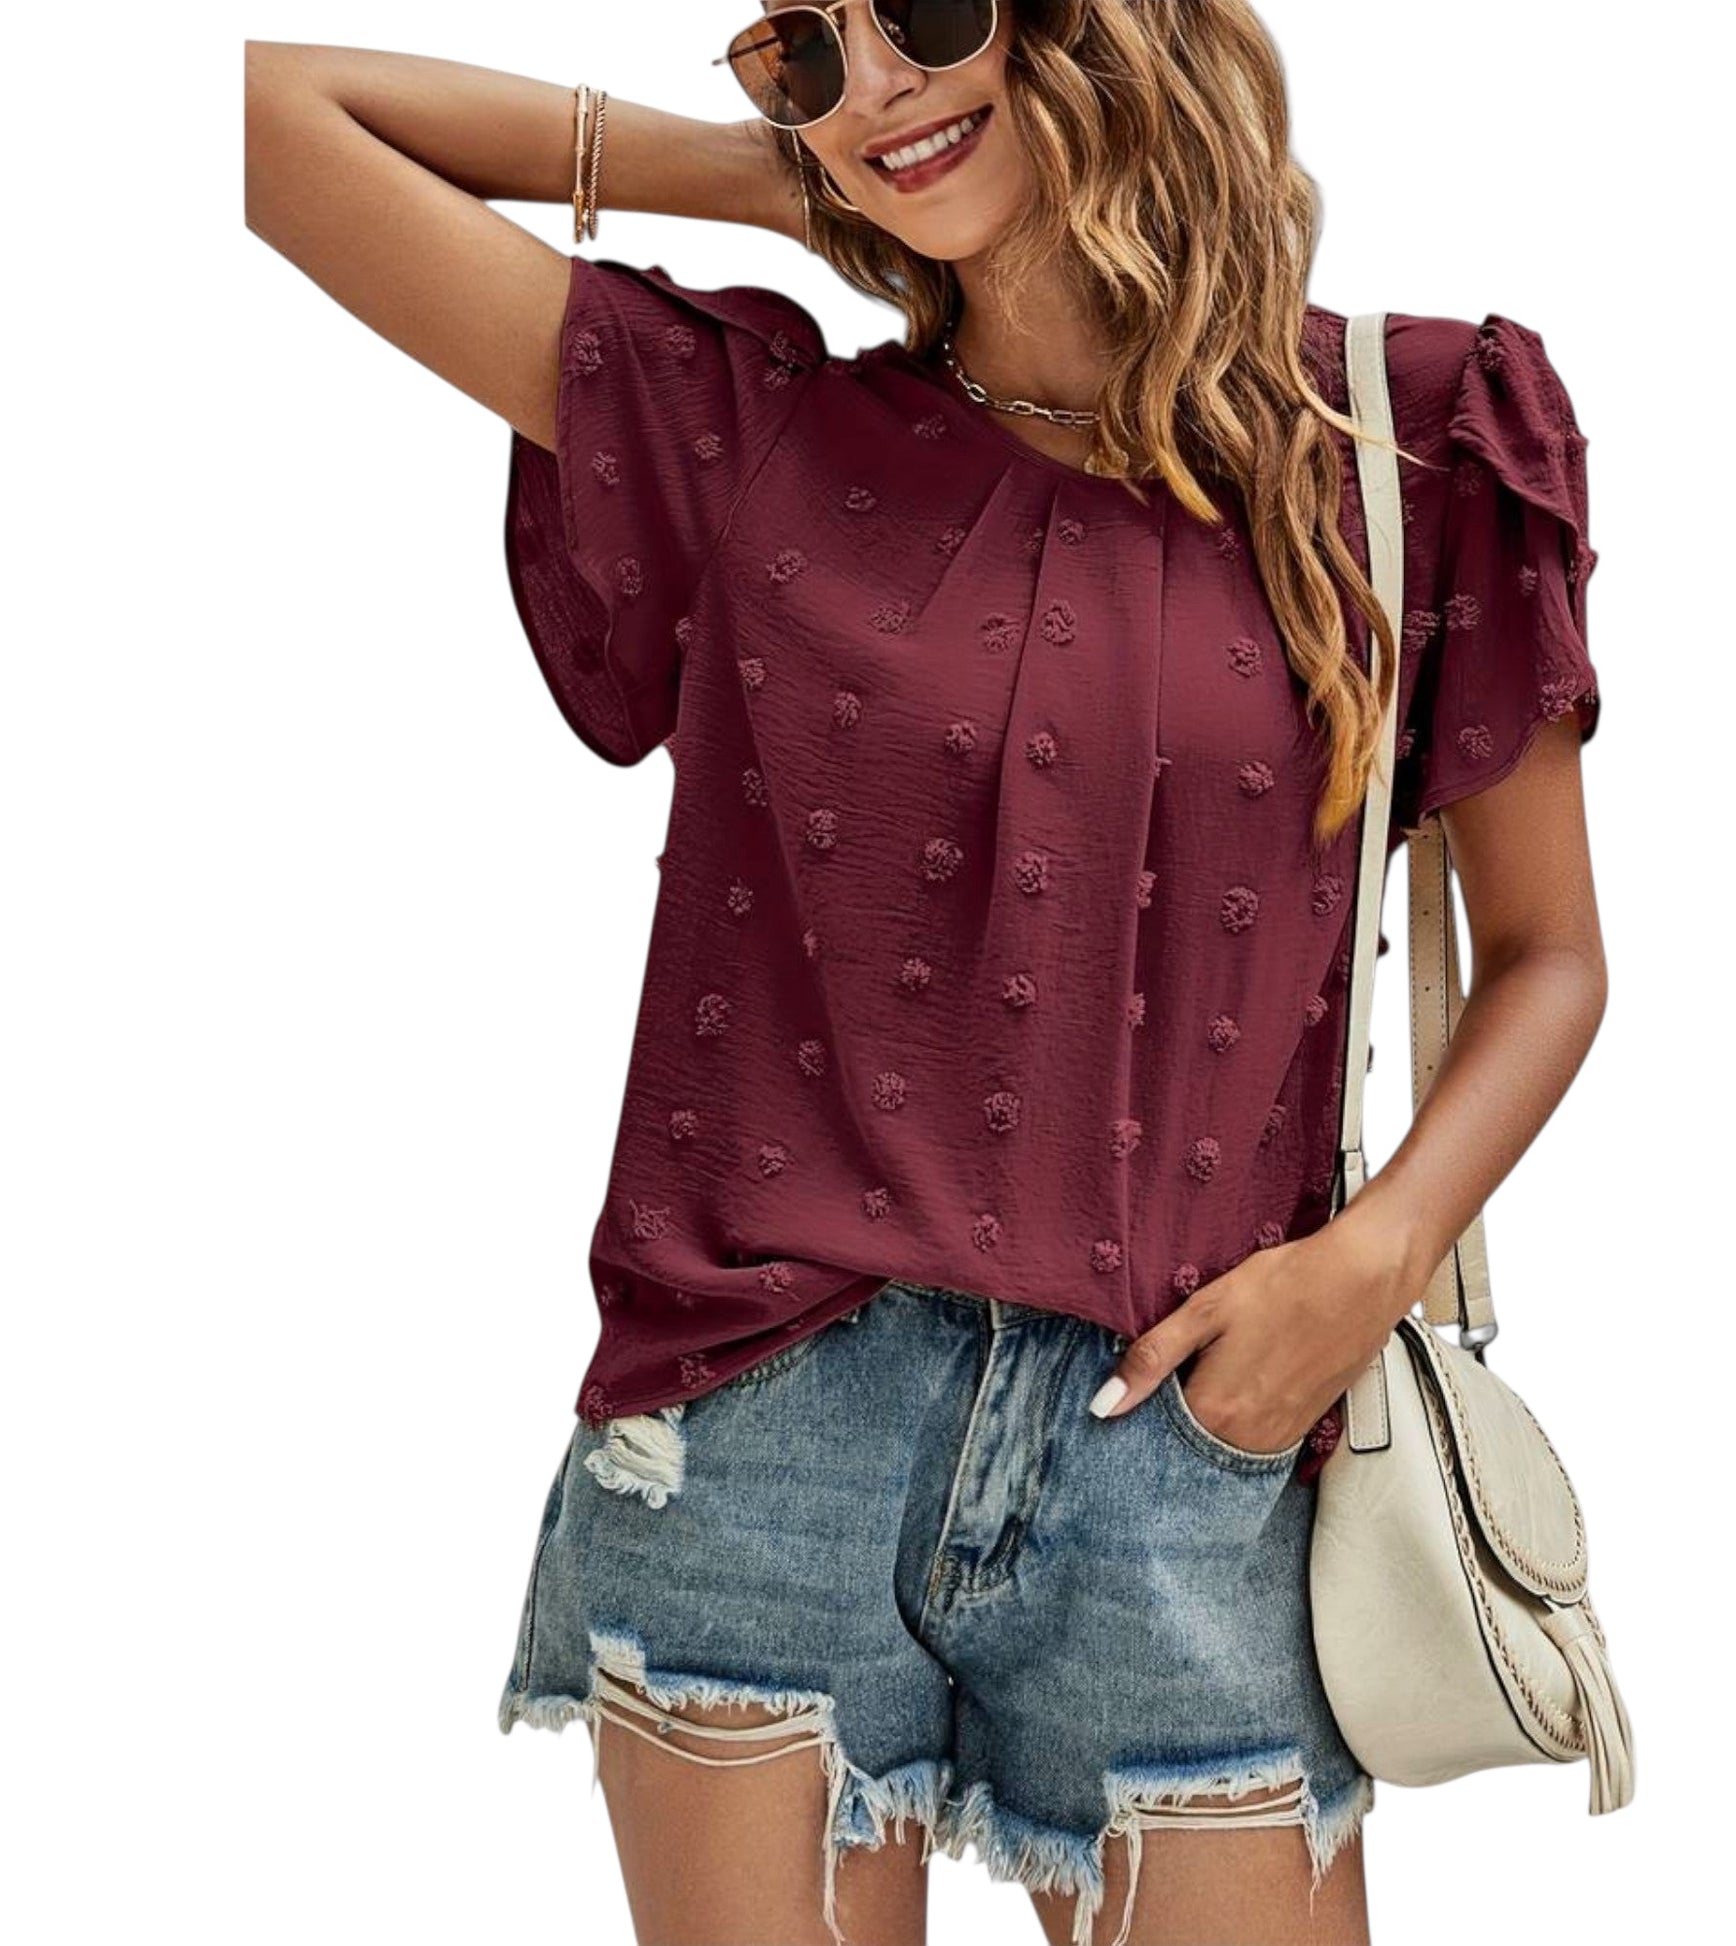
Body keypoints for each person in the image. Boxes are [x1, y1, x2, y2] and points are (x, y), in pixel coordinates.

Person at [243, 5, 1608, 1942]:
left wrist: (1365, 1265)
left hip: (1192, 1441)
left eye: (928, 17)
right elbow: (265, 118)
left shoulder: (1404, 438)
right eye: (800, 53)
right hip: (763, 1431)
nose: (871, 79)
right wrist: (787, 178)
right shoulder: (749, 426)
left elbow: (1551, 957)